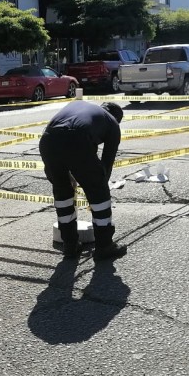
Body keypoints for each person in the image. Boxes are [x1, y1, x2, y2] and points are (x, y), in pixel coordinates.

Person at [39, 100, 127, 261]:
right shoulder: (112, 123)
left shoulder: (86, 110)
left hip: (48, 140)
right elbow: (106, 163)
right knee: (99, 193)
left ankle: (70, 245)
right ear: (117, 118)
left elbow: (82, 148)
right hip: (76, 140)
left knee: (62, 193)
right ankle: (104, 246)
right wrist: (95, 190)